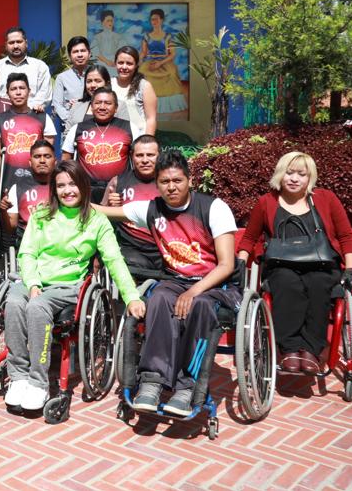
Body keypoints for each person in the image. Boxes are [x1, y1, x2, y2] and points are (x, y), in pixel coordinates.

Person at [96, 149, 241, 417]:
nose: (171, 187)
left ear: (189, 180)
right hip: (175, 280)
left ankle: (187, 386)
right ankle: (152, 380)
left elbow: (226, 265)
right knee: (158, 299)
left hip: (214, 285)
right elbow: (107, 211)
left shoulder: (213, 208)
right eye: (165, 182)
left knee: (199, 307)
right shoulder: (152, 209)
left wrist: (193, 292)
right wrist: (69, 200)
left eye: (177, 181)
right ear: (157, 184)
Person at [5, 159, 144, 411]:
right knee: (14, 301)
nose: (67, 190)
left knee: (37, 307)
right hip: (33, 278)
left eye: (72, 184)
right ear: (54, 189)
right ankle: (18, 376)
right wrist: (33, 282)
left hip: (67, 286)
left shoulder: (96, 221)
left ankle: (38, 382)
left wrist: (131, 295)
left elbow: (114, 260)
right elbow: (27, 254)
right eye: (60, 185)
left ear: (83, 185)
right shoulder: (41, 214)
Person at [236, 152, 352, 374]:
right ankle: (290, 349)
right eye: (289, 172)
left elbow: (345, 236)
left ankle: (312, 350)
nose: (294, 178)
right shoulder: (267, 202)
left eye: (301, 174)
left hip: (321, 265)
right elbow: (249, 238)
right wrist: (239, 264)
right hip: (280, 266)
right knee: (287, 283)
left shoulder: (326, 199)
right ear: (280, 174)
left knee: (319, 285)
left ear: (310, 177)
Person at [101, 135, 165, 280]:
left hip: (164, 248)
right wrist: (110, 207)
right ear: (131, 157)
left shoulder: (169, 182)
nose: (145, 160)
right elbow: (99, 217)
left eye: (150, 155)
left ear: (159, 156)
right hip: (132, 249)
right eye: (139, 155)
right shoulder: (117, 182)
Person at [62, 88, 132, 203]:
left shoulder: (130, 128)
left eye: (108, 103)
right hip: (85, 191)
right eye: (98, 103)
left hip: (120, 192)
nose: (102, 107)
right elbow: (66, 160)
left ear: (116, 108)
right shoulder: (77, 129)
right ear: (91, 106)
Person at [0, 72, 56, 186]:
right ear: (7, 93)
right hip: (8, 182)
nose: (18, 92)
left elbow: (48, 156)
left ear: (29, 91)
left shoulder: (43, 118)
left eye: (22, 88)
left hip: (38, 183)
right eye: (13, 89)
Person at [1, 140, 55, 245]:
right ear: (30, 162)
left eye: (47, 156)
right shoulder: (17, 188)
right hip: (29, 243)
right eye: (37, 156)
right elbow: (11, 228)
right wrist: (4, 210)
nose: (42, 160)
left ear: (55, 161)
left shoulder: (64, 186)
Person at [0, 26, 51, 113]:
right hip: (3, 115)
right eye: (11, 43)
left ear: (26, 43)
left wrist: (27, 109)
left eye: (19, 42)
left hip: (33, 114)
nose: (15, 46)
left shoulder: (40, 66)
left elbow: (44, 94)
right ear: (6, 46)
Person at [139, 8, 186, 117]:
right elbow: (144, 53)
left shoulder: (168, 37)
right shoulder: (146, 36)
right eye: (152, 20)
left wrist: (160, 63)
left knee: (172, 73)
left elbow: (172, 54)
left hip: (164, 62)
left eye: (156, 19)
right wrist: (139, 61)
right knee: (141, 74)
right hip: (150, 62)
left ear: (162, 20)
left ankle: (165, 107)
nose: (154, 22)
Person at [112, 46, 158, 137]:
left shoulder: (144, 86)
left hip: (138, 138)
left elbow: (151, 119)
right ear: (115, 64)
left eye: (129, 63)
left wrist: (147, 142)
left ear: (136, 65)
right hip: (114, 138)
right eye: (120, 63)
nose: (124, 67)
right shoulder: (109, 84)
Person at [61, 63, 112, 144]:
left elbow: (124, 133)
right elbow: (67, 134)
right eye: (89, 81)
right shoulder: (77, 105)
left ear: (107, 83)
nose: (93, 85)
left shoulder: (119, 106)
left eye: (98, 81)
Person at [50, 36, 91, 136]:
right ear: (69, 55)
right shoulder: (62, 78)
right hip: (70, 130)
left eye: (83, 51)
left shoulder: (98, 75)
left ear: (89, 53)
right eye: (75, 52)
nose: (80, 55)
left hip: (95, 127)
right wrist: (73, 119)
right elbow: (57, 105)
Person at [91, 10, 132, 74]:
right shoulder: (97, 37)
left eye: (111, 21)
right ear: (102, 23)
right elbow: (95, 52)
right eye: (108, 21)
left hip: (114, 61)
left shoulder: (118, 37)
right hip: (102, 61)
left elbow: (122, 50)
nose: (110, 23)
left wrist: (115, 61)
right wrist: (107, 61)